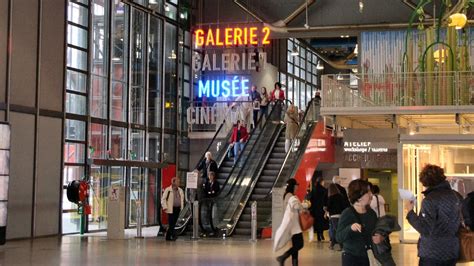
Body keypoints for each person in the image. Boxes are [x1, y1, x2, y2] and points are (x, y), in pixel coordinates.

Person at [405, 164, 462, 266]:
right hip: (452, 251)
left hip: (432, 253)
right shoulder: (456, 196)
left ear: (425, 182)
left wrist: (410, 212)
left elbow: (425, 229)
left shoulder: (430, 200)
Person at [336, 179, 382, 266]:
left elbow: (376, 233)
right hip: (351, 258)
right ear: (359, 196)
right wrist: (350, 228)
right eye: (368, 192)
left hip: (368, 256)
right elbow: (338, 237)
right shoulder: (347, 213)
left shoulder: (371, 213)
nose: (371, 195)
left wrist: (380, 238)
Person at [274, 178, 309, 266]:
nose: (297, 187)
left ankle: (294, 263)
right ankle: (283, 257)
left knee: (296, 244)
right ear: (293, 186)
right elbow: (297, 206)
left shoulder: (287, 195)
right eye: (296, 185)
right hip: (294, 224)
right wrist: (306, 205)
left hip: (292, 223)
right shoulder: (290, 196)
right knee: (300, 244)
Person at [327, 183, 350, 250]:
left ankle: (341, 245)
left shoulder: (330, 197)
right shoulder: (341, 196)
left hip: (333, 216)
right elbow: (344, 206)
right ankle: (333, 245)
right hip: (340, 215)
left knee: (336, 231)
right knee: (337, 230)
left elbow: (328, 208)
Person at [309, 177, 329, 242]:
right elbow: (326, 199)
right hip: (322, 208)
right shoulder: (324, 190)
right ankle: (321, 234)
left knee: (317, 222)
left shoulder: (314, 189)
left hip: (315, 209)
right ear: (321, 182)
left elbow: (310, 198)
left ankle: (318, 236)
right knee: (322, 222)